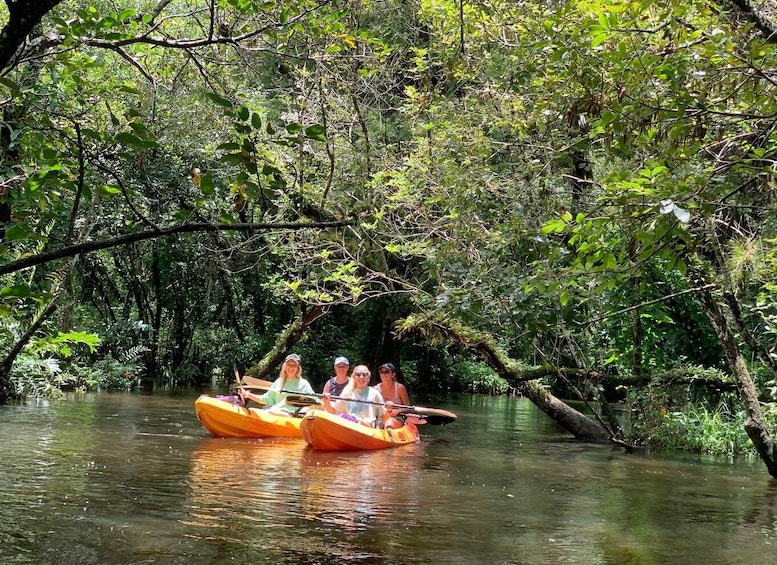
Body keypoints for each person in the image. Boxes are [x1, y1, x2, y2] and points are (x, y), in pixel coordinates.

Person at [239, 353, 316, 415]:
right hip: (276, 411)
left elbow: (314, 403)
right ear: (285, 366)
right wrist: (247, 394)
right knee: (253, 411)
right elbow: (266, 399)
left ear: (298, 368)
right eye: (289, 364)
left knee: (270, 412)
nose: (291, 368)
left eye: (294, 365)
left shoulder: (303, 384)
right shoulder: (278, 382)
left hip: (291, 415)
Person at [321, 364, 394, 427]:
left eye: (364, 374)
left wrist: (389, 410)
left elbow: (384, 417)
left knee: (360, 423)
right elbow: (333, 411)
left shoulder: (375, 393)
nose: (361, 377)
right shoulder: (347, 392)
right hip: (349, 426)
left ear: (368, 376)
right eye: (358, 374)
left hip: (367, 428)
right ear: (354, 376)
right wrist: (327, 402)